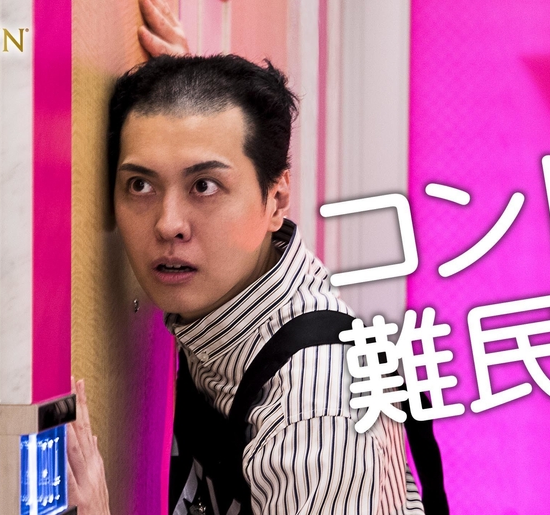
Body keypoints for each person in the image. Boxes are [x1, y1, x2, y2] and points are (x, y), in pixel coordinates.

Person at [67, 1, 426, 514]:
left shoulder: (317, 414)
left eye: (204, 185)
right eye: (142, 184)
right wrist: (195, 113)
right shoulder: (241, 295)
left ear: (276, 200)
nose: (168, 224)